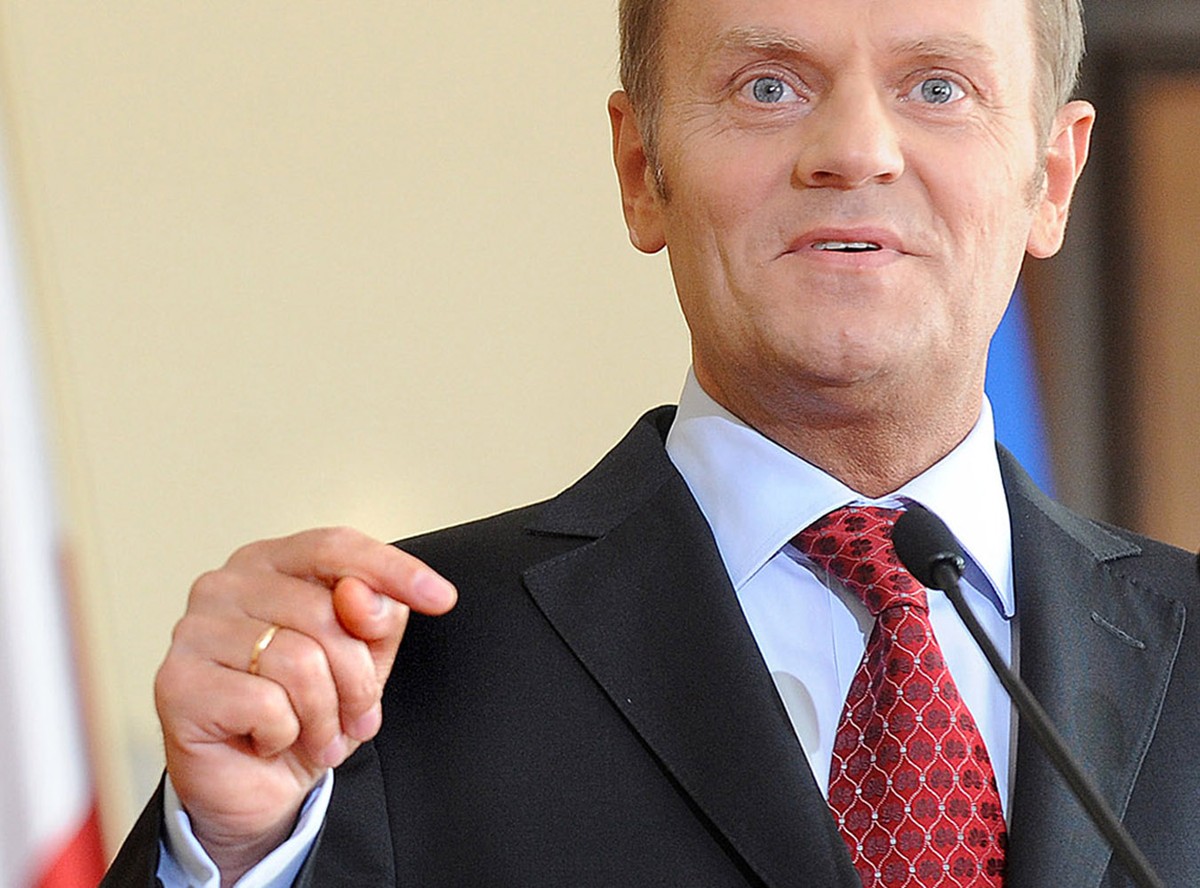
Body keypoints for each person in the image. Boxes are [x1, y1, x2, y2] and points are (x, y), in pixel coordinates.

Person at [103, 0, 1200, 885]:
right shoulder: (386, 681)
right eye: (768, 86)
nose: (856, 150)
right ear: (642, 170)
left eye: (939, 87)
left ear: (1052, 178)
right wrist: (232, 858)